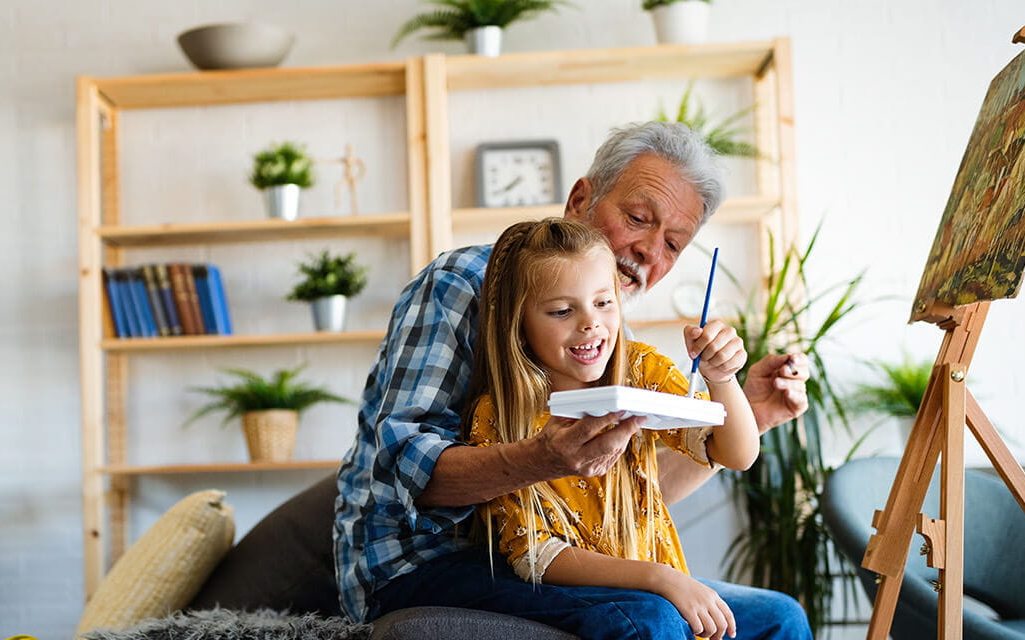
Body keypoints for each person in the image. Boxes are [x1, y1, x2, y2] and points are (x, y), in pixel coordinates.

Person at [334, 122, 811, 637]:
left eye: (673, 243)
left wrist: (745, 412)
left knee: (780, 616)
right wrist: (543, 457)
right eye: (637, 218)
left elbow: (619, 492)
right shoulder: (464, 283)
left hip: (574, 559)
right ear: (580, 198)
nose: (651, 249)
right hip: (428, 560)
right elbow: (407, 463)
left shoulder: (614, 345)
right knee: (649, 617)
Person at [463, 217, 765, 640]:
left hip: (661, 587)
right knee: (653, 620)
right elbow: (538, 556)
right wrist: (661, 578)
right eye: (562, 310)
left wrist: (722, 378)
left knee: (781, 617)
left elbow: (736, 453)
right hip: (602, 597)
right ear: (519, 322)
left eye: (604, 302)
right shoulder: (499, 415)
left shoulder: (639, 369)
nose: (590, 323)